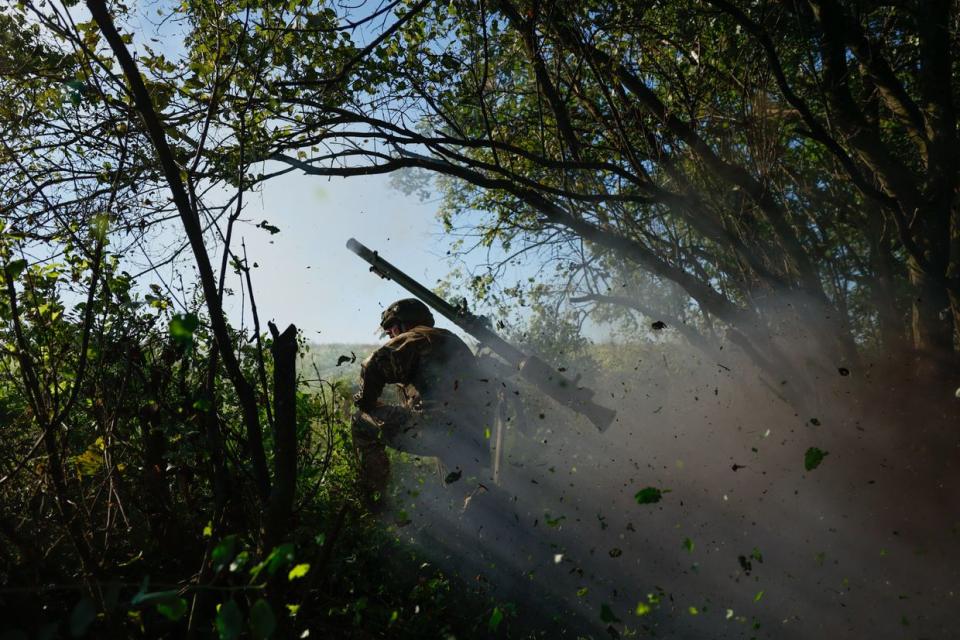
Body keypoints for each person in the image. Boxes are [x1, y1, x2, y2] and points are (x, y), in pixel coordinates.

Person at [351, 298, 491, 508]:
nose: (389, 333)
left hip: (435, 429)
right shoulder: (450, 339)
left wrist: (366, 402)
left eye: (391, 326)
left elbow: (373, 365)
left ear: (405, 322)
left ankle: (374, 501)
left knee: (360, 421)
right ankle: (475, 507)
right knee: (462, 491)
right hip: (474, 435)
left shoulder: (416, 337)